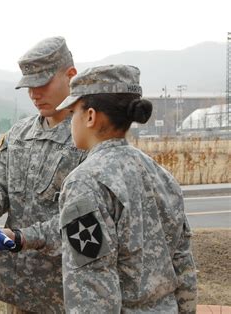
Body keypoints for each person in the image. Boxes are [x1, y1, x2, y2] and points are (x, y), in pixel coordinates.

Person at [55, 64, 197, 313]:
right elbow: (182, 263)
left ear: (90, 116)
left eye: (72, 112)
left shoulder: (85, 182)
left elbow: (92, 287)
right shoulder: (162, 175)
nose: (70, 121)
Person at [0, 36, 86, 313]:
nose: (34, 94)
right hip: (20, 285)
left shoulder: (88, 136)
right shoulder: (19, 133)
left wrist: (21, 237)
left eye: (42, 84)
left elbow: (83, 221)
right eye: (29, 86)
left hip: (68, 289)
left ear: (71, 75)